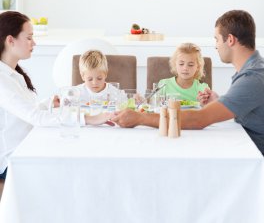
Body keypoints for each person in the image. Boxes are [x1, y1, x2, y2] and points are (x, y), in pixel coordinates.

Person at [112, 10, 264, 155]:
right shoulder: (252, 70)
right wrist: (218, 103)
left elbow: (199, 119)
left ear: (230, 40)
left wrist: (140, 118)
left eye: (216, 39)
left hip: (255, 155)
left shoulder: (252, 77)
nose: (216, 46)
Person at [0, 11, 112, 180]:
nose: (34, 42)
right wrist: (88, 118)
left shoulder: (15, 75)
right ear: (10, 40)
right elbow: (35, 117)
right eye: (29, 37)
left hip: (29, 147)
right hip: (12, 160)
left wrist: (48, 103)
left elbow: (24, 114)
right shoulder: (2, 80)